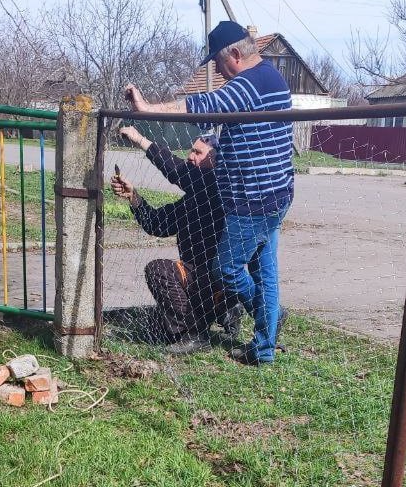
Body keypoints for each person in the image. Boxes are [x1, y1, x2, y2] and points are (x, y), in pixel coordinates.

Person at [124, 20, 293, 365]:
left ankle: (267, 317)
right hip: (274, 194)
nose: (216, 69)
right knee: (265, 271)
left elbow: (202, 104)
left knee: (227, 268)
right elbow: (179, 170)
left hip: (253, 200)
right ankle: (263, 349)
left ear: (234, 53)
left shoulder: (251, 82)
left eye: (216, 61)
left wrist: (146, 110)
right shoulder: (270, 78)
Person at [111, 125, 243, 354]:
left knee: (159, 269)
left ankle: (193, 334)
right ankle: (224, 311)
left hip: (219, 278)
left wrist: (140, 139)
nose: (190, 157)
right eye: (191, 151)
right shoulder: (192, 199)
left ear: (216, 159)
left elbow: (178, 171)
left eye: (198, 152)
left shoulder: (221, 188)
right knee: (155, 327)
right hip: (195, 281)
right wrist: (133, 196)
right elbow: (157, 224)